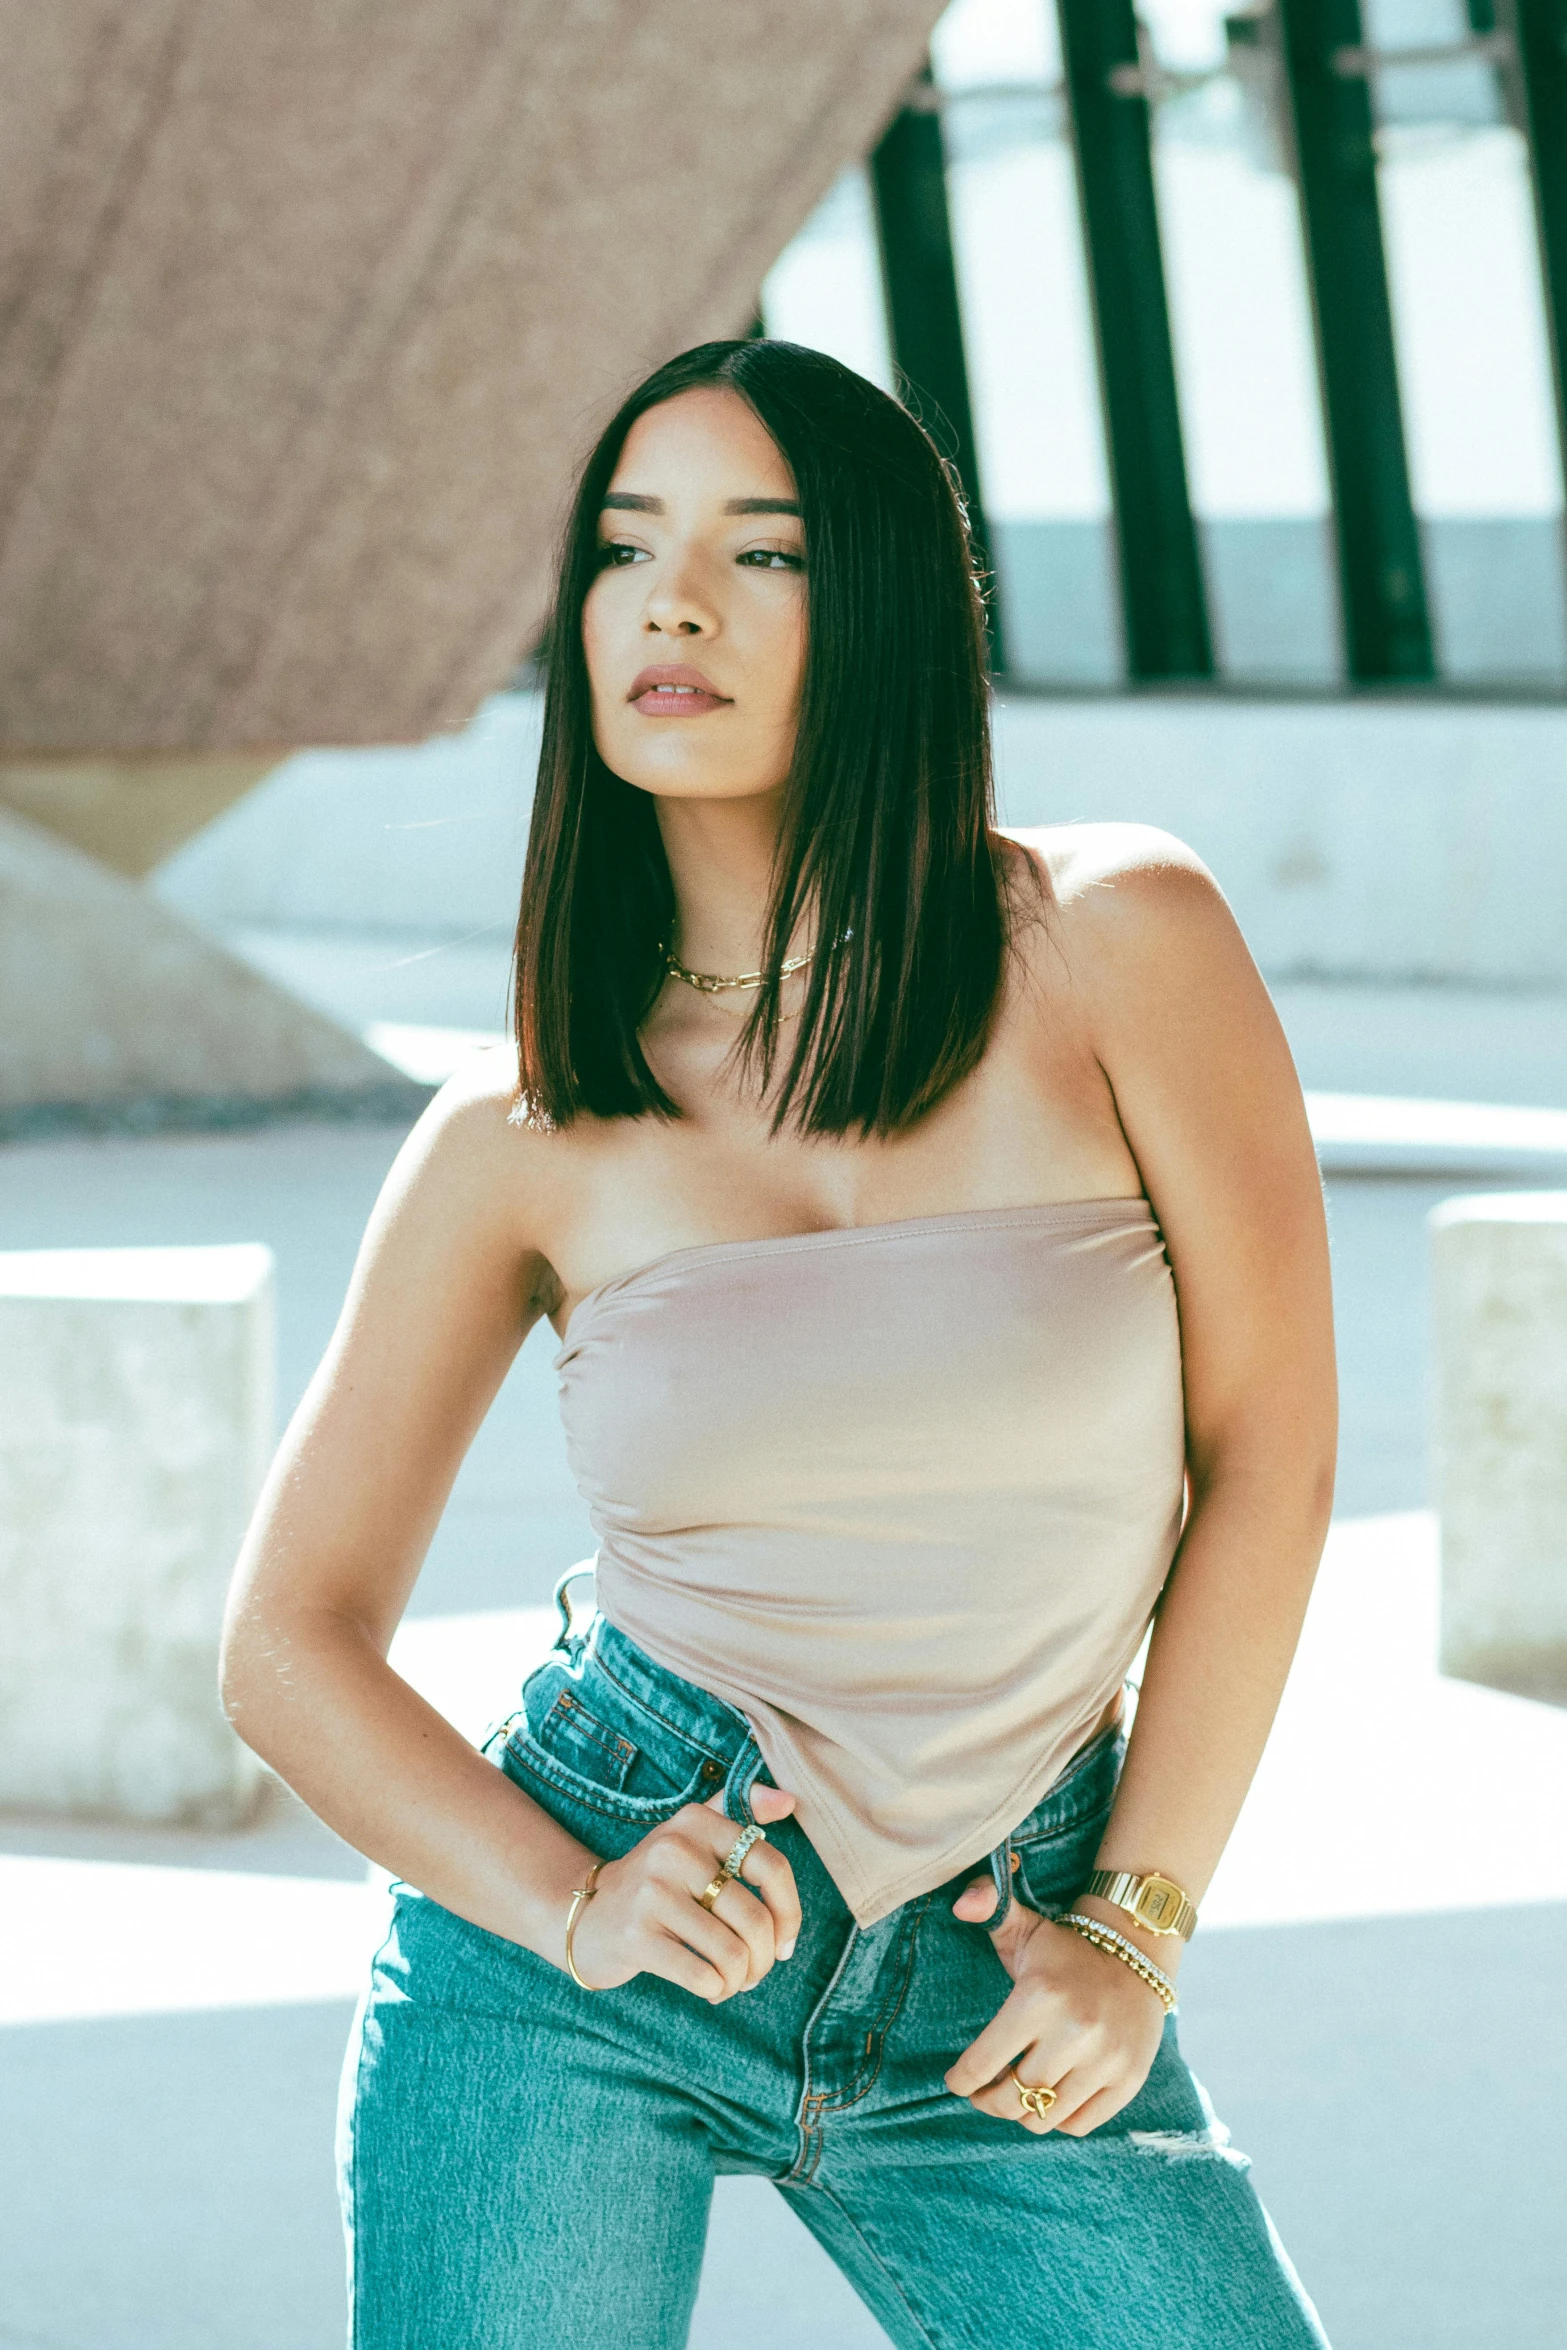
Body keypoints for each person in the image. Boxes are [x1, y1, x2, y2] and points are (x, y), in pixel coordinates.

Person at [220, 338, 1338, 2349]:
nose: (673, 599)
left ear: (890, 595)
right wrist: (570, 1900)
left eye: (766, 550)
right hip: (608, 1929)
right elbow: (284, 1639)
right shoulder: (521, 1129)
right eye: (627, 547)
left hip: (1014, 1958)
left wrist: (1141, 1925)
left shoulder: (1115, 945)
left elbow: (1271, 1452)